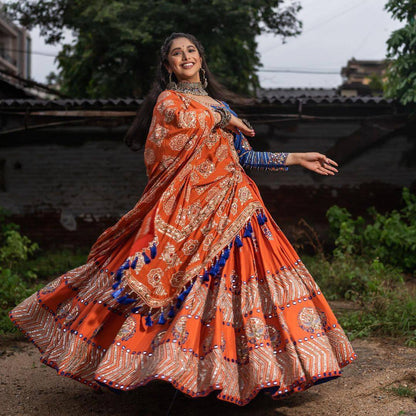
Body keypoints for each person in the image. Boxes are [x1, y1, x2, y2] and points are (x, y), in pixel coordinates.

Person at [9, 32, 356, 406]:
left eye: (191, 50)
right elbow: (187, 123)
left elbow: (246, 159)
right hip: (186, 214)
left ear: (201, 59)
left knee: (244, 292)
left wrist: (296, 157)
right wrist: (222, 116)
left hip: (237, 208)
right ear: (168, 65)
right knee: (175, 286)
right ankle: (174, 368)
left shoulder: (221, 106)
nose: (185, 56)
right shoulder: (169, 101)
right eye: (177, 53)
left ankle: (252, 372)